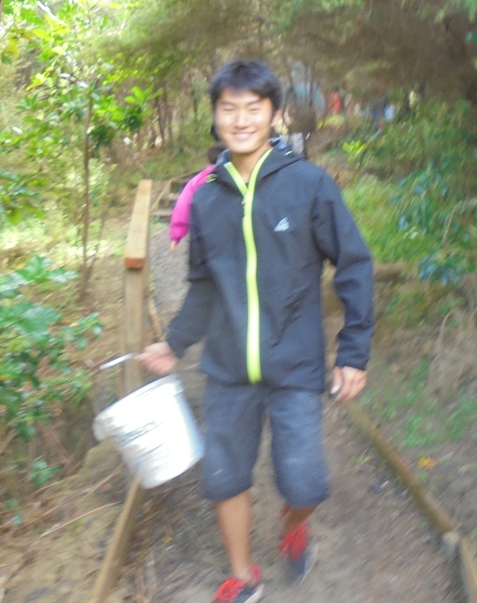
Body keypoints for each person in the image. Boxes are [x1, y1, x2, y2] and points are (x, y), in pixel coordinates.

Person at [140, 60, 374, 603]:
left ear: (274, 114)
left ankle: (293, 523)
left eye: (253, 108)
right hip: (227, 370)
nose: (241, 120)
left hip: (295, 366)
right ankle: (243, 575)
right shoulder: (206, 197)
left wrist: (353, 353)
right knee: (225, 478)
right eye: (229, 109)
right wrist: (174, 343)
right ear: (216, 116)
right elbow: (203, 284)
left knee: (306, 483)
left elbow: (354, 265)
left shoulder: (309, 185)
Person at [169, 142, 226, 251]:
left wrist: (176, 237)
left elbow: (182, 206)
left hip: (202, 232)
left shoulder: (197, 181)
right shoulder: (237, 178)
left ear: (207, 161)